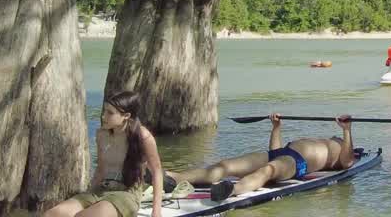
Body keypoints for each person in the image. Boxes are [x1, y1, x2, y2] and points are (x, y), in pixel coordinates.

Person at [172, 113, 356, 201]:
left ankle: (233, 189)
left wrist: (347, 131)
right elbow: (275, 150)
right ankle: (174, 177)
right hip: (280, 152)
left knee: (267, 171)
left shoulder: (343, 150)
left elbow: (347, 162)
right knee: (225, 165)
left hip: (297, 163)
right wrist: (276, 127)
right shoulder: (330, 141)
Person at [44, 91, 164, 217]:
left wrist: (156, 211)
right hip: (101, 190)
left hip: (127, 193)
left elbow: (157, 171)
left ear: (126, 116)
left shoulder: (143, 136)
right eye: (104, 111)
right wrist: (86, 196)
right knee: (51, 214)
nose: (103, 116)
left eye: (110, 113)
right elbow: (101, 170)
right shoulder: (101, 134)